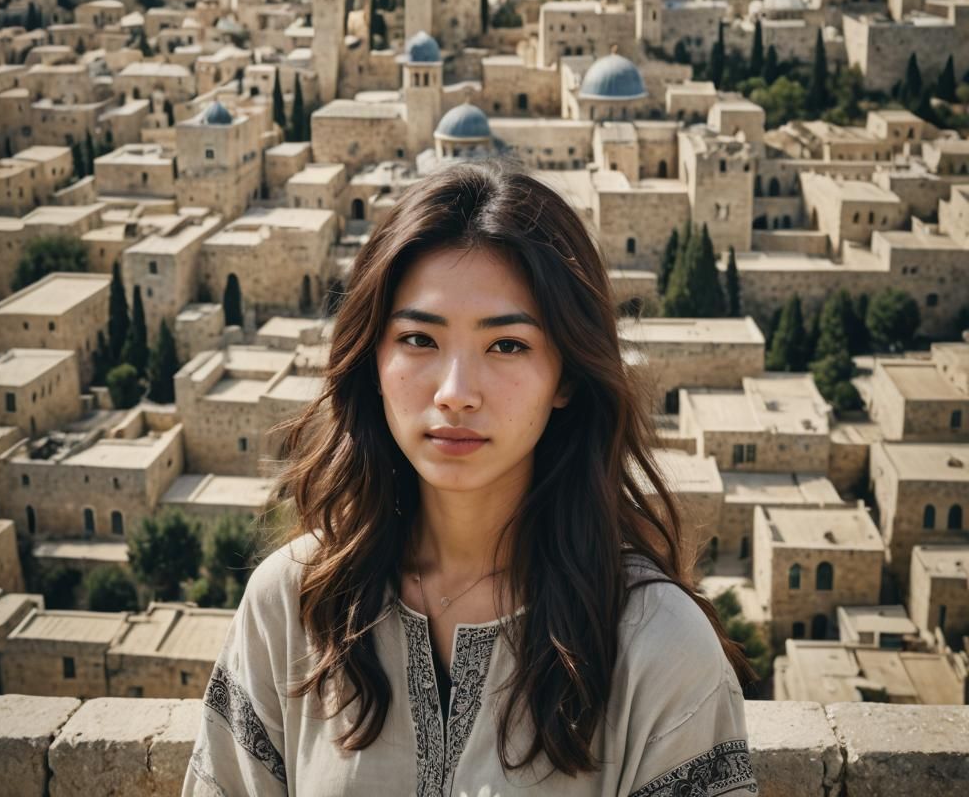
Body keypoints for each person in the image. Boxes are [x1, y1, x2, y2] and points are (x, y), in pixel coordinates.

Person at [182, 157, 760, 797]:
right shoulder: (293, 609)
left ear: (566, 374)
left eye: (507, 345)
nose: (456, 393)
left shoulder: (656, 646)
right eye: (419, 340)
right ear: (374, 358)